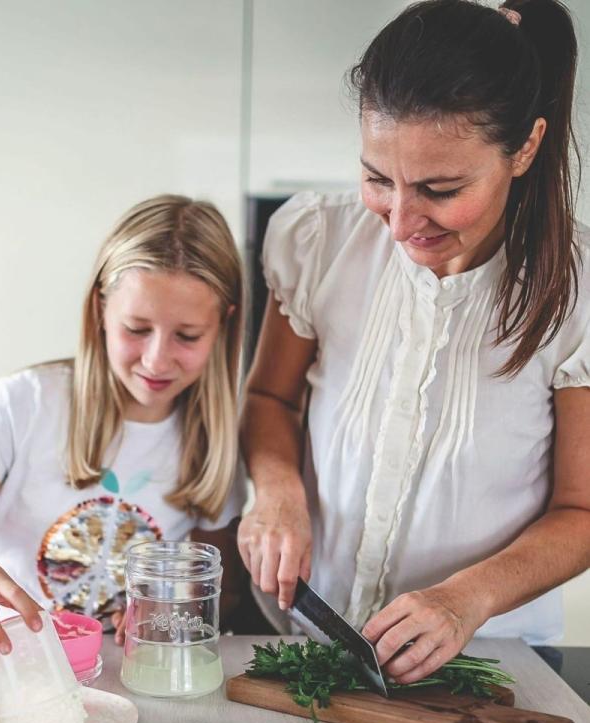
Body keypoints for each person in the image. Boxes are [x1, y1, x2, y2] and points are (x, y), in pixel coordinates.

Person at [239, 0, 590, 685]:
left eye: (439, 188)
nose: (400, 222)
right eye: (377, 178)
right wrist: (276, 492)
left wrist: (466, 599)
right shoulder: (320, 242)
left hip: (490, 660)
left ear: (524, 147)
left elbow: (581, 512)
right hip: (306, 631)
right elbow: (268, 397)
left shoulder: (577, 291)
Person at [0, 195, 247, 666]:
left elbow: (225, 592)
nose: (156, 359)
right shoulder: (23, 406)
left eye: (187, 336)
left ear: (223, 327)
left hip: (131, 680)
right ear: (100, 310)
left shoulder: (217, 437)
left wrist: (176, 607)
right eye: (136, 328)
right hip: (12, 672)